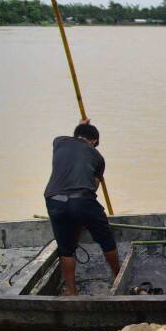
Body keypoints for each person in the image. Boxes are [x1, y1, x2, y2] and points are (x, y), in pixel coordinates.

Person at [43, 120, 119, 296]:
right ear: (93, 142)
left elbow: (75, 141)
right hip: (83, 200)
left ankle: (71, 291)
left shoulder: (59, 141)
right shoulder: (98, 158)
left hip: (54, 201)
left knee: (66, 249)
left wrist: (79, 125)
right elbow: (93, 187)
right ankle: (117, 277)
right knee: (107, 241)